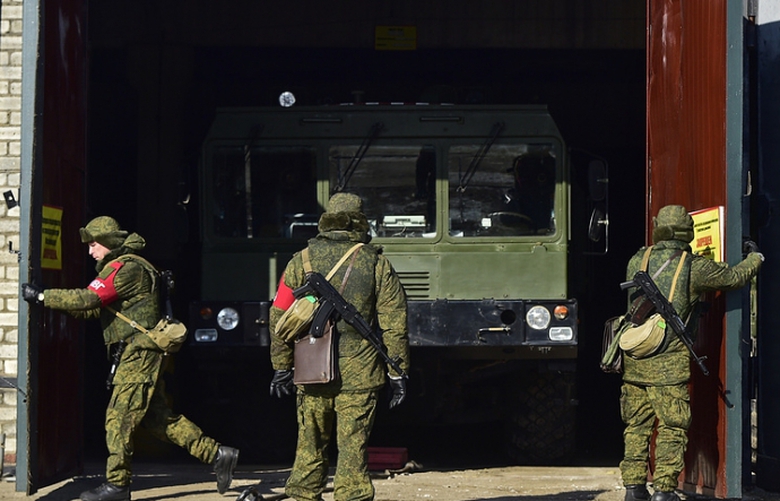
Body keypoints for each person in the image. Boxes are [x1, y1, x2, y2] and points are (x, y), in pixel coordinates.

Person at [21, 216, 239, 501]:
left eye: (94, 244)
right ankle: (217, 454)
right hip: (140, 353)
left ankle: (118, 484)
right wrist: (50, 302)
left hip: (139, 354)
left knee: (118, 419)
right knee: (158, 419)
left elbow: (88, 299)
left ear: (108, 242)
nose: (90, 251)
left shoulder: (125, 269)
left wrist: (42, 297)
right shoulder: (126, 267)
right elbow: (92, 310)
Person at [268, 192, 410, 501]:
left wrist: (281, 366)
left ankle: (304, 495)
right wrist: (397, 372)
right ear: (360, 221)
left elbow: (278, 316)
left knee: (310, 444)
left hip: (310, 368)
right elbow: (394, 323)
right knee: (353, 448)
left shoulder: (301, 259)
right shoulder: (376, 262)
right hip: (360, 373)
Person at [618, 205, 763, 501]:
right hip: (668, 366)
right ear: (687, 232)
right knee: (672, 427)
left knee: (636, 426)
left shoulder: (637, 259)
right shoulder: (692, 266)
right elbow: (734, 277)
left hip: (635, 359)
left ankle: (634, 488)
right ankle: (664, 490)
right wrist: (755, 258)